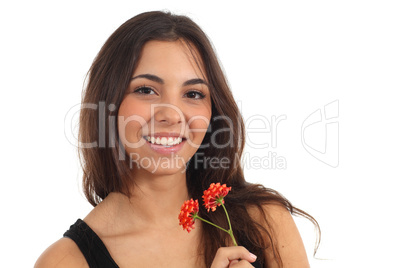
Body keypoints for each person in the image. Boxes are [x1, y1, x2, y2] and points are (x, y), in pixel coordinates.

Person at [35, 11, 319, 268]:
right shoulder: (64, 261)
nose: (172, 115)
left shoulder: (265, 222)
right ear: (107, 105)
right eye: (146, 90)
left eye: (193, 94)